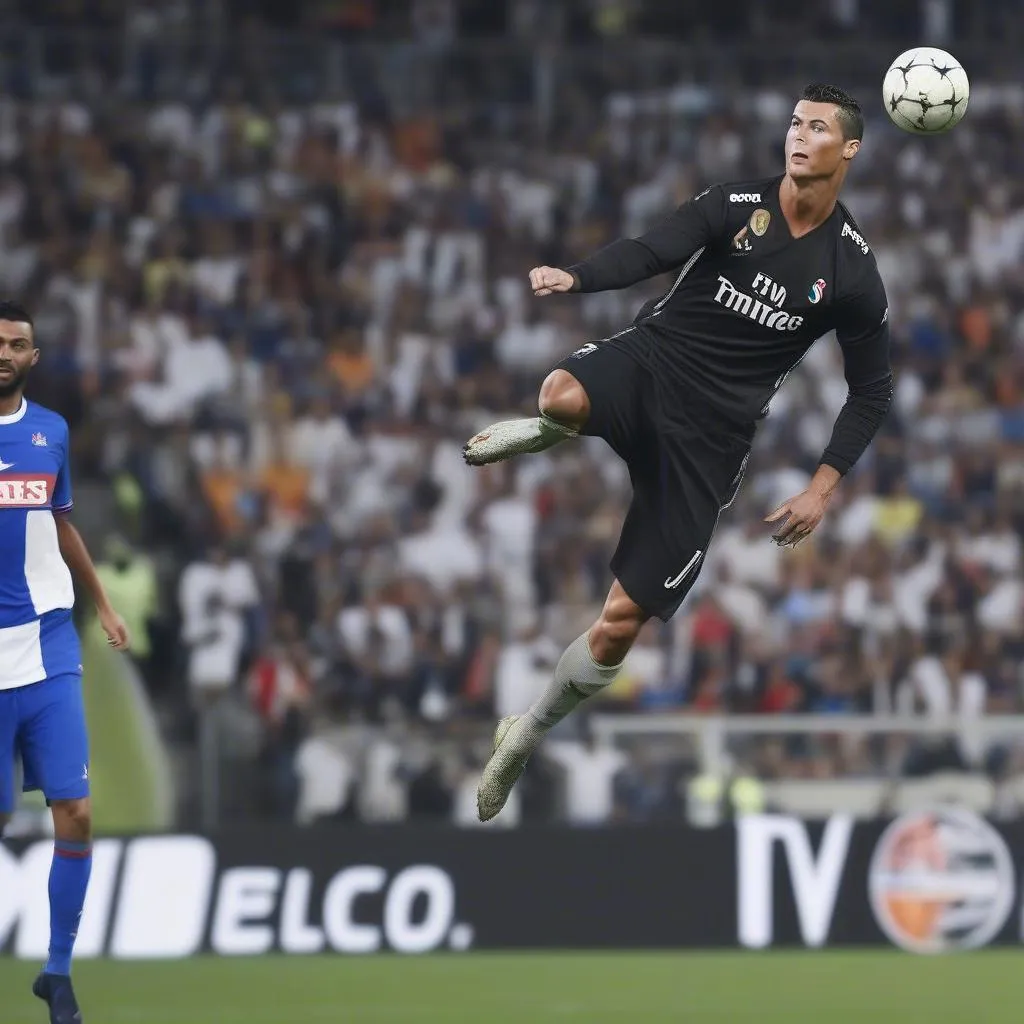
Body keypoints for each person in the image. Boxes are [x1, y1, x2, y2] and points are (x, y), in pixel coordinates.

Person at [465, 85, 893, 821]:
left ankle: (524, 732)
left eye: (817, 127)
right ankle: (550, 430)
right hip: (653, 364)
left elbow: (871, 391)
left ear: (847, 149)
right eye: (793, 122)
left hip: (713, 440)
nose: (798, 135)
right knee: (559, 392)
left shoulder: (851, 272)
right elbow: (651, 249)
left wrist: (822, 488)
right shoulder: (734, 205)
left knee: (620, 624)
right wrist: (578, 276)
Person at [0, 301, 130, 1023]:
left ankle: (57, 972)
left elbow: (60, 520)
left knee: (75, 812)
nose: (5, 353)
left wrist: (104, 606)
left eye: (17, 344)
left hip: (48, 645)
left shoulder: (51, 432)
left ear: (34, 358)